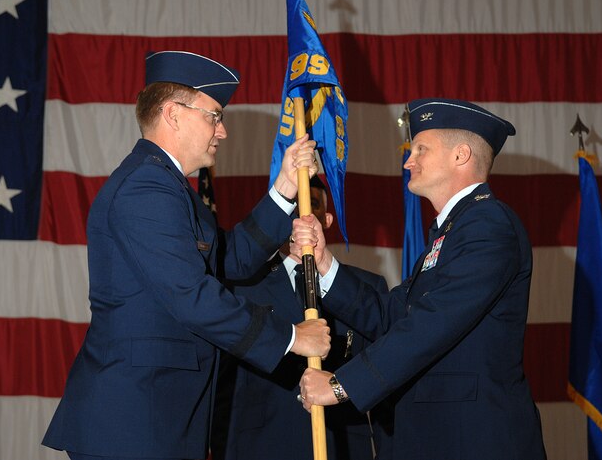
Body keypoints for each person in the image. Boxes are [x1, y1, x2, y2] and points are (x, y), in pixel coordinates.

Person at [42, 51, 331, 460]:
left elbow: (231, 261)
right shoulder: (148, 187)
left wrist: (285, 188)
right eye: (214, 116)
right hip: (135, 422)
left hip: (157, 417)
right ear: (173, 114)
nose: (223, 131)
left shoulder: (170, 188)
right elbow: (191, 295)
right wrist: (290, 337)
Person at [294, 98, 547, 459]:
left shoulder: (488, 224)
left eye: (421, 149)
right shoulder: (453, 230)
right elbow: (393, 316)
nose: (409, 160)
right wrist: (324, 263)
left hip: (470, 441)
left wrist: (340, 386)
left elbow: (434, 322)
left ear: (461, 156)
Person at [211, 175, 392, 460]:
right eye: (292, 206)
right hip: (260, 446)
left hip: (340, 445)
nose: (301, 213)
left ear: (327, 220)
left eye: (313, 205)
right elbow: (223, 388)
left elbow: (386, 375)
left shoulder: (366, 290)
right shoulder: (241, 290)